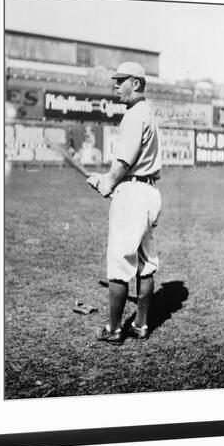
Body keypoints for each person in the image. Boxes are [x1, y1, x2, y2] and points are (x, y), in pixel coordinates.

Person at [87, 61, 162, 345]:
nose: (115, 85)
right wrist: (107, 179)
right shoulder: (148, 113)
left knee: (120, 263)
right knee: (146, 263)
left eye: (121, 80)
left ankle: (114, 329)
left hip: (132, 193)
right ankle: (141, 325)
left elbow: (123, 162)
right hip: (149, 191)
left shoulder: (133, 114)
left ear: (137, 84)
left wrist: (107, 182)